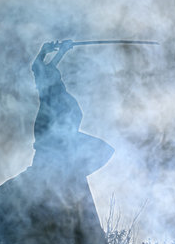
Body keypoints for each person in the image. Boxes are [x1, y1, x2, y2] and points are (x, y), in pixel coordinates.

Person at [31, 40, 114, 177]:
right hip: (54, 131)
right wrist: (43, 51)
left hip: (65, 132)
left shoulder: (53, 85)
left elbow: (51, 67)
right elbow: (36, 66)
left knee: (101, 149)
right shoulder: (47, 91)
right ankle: (67, 172)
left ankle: (73, 173)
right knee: (99, 149)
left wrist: (63, 50)